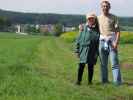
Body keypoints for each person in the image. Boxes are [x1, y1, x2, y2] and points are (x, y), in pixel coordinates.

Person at [98, 0, 122, 85]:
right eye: (103, 6)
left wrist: (116, 43)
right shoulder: (98, 18)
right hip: (101, 42)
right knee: (103, 64)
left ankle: (117, 82)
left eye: (107, 6)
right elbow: (91, 25)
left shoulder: (114, 17)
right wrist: (82, 27)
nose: (105, 7)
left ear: (109, 7)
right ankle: (104, 81)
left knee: (114, 62)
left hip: (112, 42)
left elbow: (118, 31)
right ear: (101, 7)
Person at [75, 12, 100, 85]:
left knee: (91, 67)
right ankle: (78, 81)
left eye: (92, 18)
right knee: (81, 66)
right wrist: (77, 51)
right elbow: (78, 40)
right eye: (89, 18)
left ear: (95, 19)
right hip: (83, 50)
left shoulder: (97, 30)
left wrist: (97, 53)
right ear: (87, 19)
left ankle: (90, 82)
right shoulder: (82, 28)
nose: (90, 19)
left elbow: (98, 43)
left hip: (92, 51)